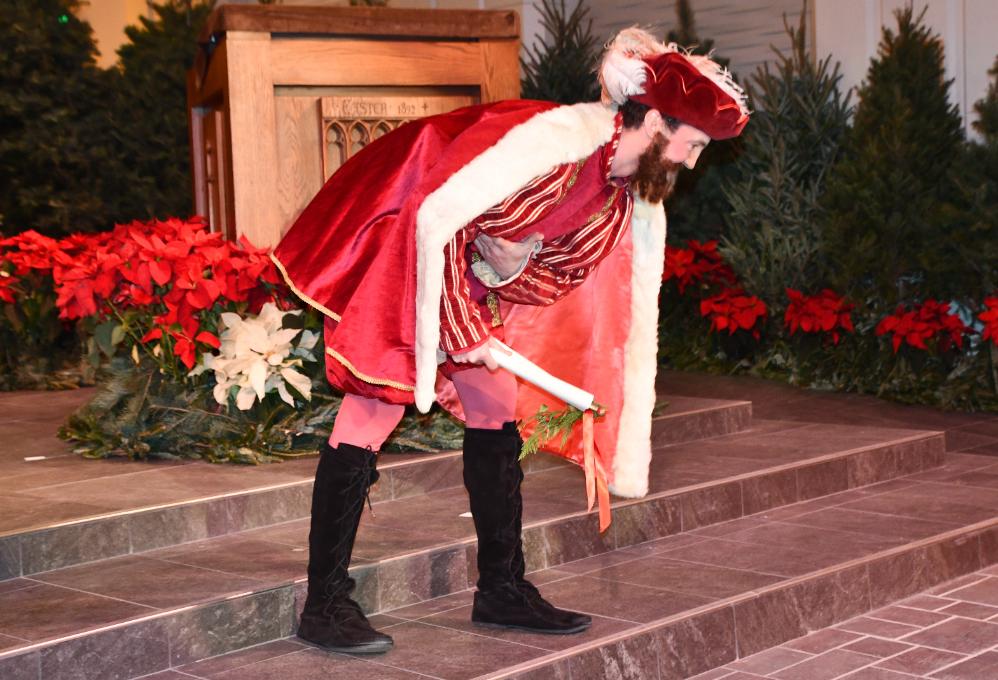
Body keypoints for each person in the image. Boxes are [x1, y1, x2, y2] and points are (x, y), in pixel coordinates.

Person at [272, 27, 749, 655]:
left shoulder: (613, 200)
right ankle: (324, 604)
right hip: (404, 253)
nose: (691, 162)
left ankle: (500, 589)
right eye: (693, 144)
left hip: (460, 280)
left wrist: (512, 264)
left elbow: (553, 274)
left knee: (495, 404)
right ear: (657, 121)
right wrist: (461, 325)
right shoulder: (552, 146)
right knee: (372, 407)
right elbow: (437, 213)